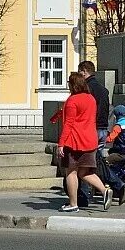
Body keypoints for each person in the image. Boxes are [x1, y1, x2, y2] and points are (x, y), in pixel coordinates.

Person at [48, 71, 112, 213]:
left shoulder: (72, 101)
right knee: (85, 172)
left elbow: (69, 124)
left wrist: (61, 143)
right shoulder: (90, 99)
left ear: (73, 85)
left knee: (71, 172)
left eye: (69, 83)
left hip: (75, 141)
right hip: (90, 140)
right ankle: (104, 190)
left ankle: (73, 204)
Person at [77, 60, 112, 206]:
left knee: (84, 164)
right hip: (103, 128)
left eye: (80, 72)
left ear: (84, 71)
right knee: (95, 161)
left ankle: (85, 197)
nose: (79, 75)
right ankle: (111, 187)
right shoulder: (103, 90)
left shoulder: (87, 89)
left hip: (92, 130)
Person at [98, 104, 125, 201]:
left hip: (122, 152)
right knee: (116, 165)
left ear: (115, 116)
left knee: (106, 162)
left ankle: (113, 181)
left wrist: (103, 140)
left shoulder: (118, 126)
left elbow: (111, 137)